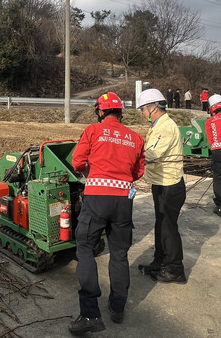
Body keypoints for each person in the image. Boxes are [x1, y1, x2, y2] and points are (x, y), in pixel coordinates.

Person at [69, 92, 145, 335]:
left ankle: (90, 314)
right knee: (119, 253)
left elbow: (77, 162)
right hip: (124, 200)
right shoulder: (136, 137)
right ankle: (118, 307)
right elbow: (138, 172)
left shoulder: (92, 131)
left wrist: (91, 172)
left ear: (100, 111)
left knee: (85, 247)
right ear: (120, 112)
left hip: (97, 199)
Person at [136, 89, 187, 284]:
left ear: (153, 108)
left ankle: (175, 269)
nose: (142, 113)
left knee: (168, 228)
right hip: (161, 183)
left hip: (169, 186)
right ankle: (160, 262)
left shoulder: (165, 127)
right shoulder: (158, 125)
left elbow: (152, 154)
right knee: (161, 225)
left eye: (143, 109)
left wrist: (130, 156)